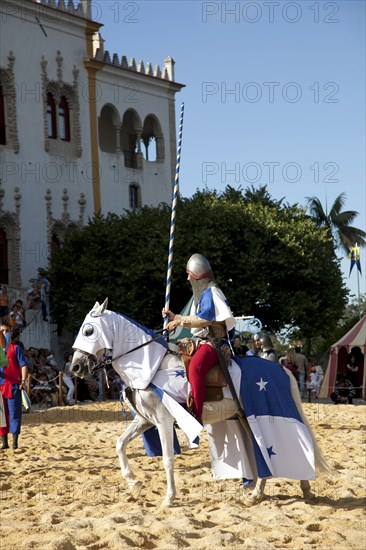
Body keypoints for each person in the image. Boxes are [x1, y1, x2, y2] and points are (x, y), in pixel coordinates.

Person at [163, 253, 236, 422]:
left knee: (196, 367)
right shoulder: (205, 295)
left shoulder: (211, 292)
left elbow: (205, 319)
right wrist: (176, 317)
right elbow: (197, 320)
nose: (188, 278)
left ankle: (196, 413)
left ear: (197, 275)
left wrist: (179, 322)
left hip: (214, 343)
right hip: (203, 341)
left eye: (189, 274)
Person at [0, 327, 28, 450]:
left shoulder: (16, 348)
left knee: (14, 414)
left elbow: (23, 365)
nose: (4, 333)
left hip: (13, 386)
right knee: (1, 416)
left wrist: (23, 380)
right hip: (0, 386)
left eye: (6, 331)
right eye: (2, 331)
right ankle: (4, 442)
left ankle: (15, 443)